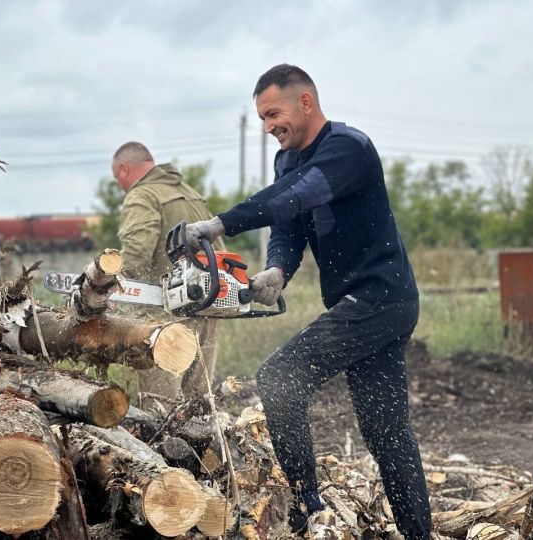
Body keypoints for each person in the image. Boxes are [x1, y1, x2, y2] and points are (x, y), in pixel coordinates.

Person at [184, 65, 431, 538]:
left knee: (279, 376)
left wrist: (219, 225)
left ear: (305, 103)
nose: (268, 126)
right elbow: (288, 228)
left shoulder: (348, 150)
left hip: (382, 298)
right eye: (260, 118)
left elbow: (294, 198)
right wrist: (278, 270)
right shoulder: (286, 160)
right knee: (385, 431)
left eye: (273, 113)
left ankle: (306, 505)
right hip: (361, 304)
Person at [112, 142, 221, 409]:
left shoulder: (143, 195)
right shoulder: (188, 192)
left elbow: (136, 256)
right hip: (208, 306)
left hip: (167, 314)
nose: (120, 186)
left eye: (117, 179)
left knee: (160, 406)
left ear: (124, 169)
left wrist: (107, 283)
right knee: (198, 403)